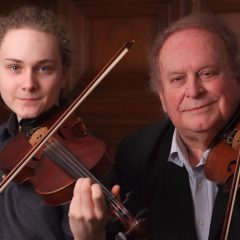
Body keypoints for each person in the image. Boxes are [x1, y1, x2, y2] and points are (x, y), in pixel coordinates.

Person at [69, 13, 240, 240]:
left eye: (207, 73)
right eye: (177, 79)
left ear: (236, 77)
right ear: (161, 97)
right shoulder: (136, 154)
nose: (193, 90)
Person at [0, 6, 75, 240]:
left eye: (44, 68)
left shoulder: (81, 159)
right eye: (15, 67)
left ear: (64, 75)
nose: (29, 83)